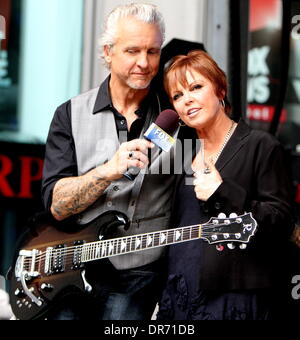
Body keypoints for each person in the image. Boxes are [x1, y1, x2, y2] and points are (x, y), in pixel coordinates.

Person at [42, 3, 177, 320]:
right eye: (132, 51)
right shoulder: (70, 114)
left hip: (140, 273)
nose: (144, 63)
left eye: (153, 51)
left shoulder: (177, 118)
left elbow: (190, 190)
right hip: (74, 270)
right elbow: (57, 205)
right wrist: (106, 172)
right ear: (108, 51)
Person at [157, 50, 295, 320]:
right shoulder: (182, 155)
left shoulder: (260, 146)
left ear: (220, 90)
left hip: (234, 299)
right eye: (178, 95)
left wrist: (225, 192)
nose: (188, 100)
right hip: (178, 298)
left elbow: (282, 223)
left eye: (196, 87)